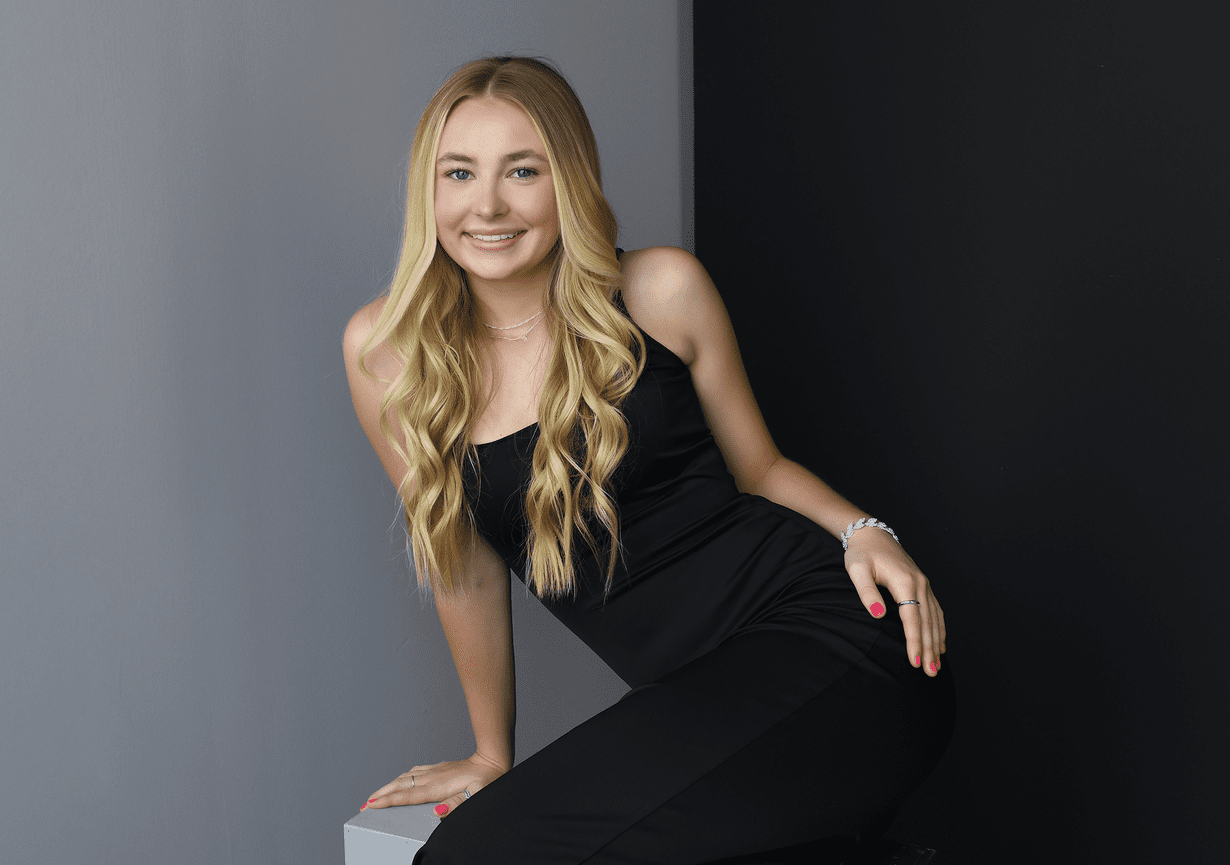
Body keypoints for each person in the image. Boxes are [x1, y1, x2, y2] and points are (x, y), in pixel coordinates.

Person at [343, 56, 954, 865]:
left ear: (569, 182)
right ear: (430, 189)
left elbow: (761, 469)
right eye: (459, 172)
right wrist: (492, 751)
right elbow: (467, 567)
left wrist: (864, 529)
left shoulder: (660, 290)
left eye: (522, 170)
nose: (487, 204)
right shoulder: (387, 355)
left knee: (475, 856)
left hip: (837, 641)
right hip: (702, 696)